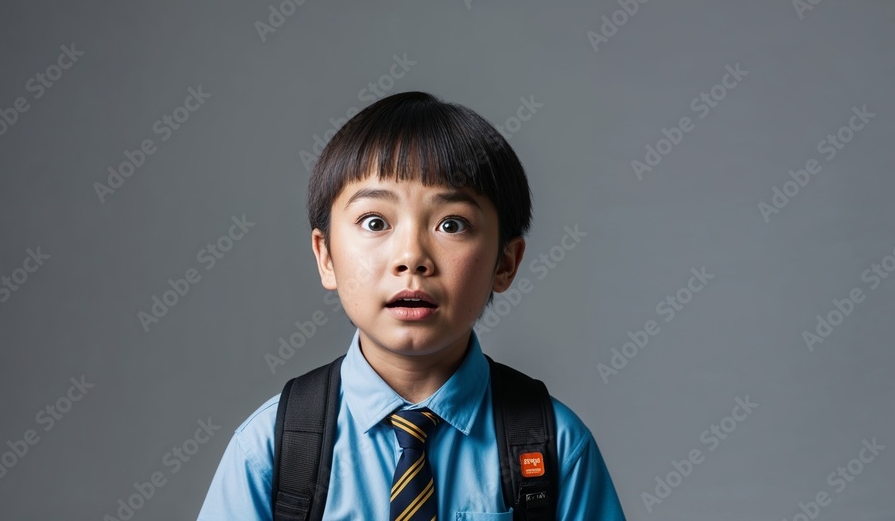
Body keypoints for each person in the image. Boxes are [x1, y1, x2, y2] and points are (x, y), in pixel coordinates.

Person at [197, 91, 626, 520]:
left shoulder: (556, 449)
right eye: (375, 222)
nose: (411, 256)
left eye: (451, 224)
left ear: (505, 262)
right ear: (325, 256)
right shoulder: (270, 451)